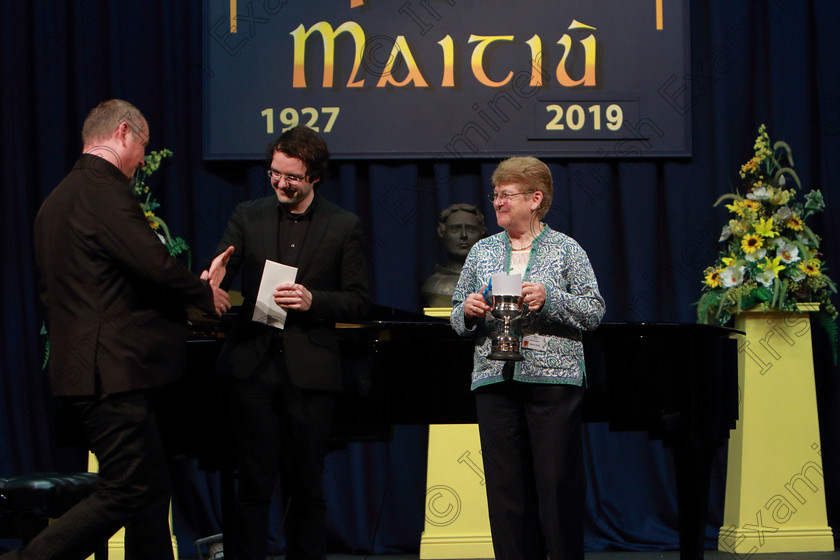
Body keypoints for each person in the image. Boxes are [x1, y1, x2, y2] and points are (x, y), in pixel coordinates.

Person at [2, 99, 232, 560]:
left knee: (150, 492)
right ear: (123, 132)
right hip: (113, 373)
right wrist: (205, 293)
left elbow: (109, 284)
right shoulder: (103, 191)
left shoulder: (58, 199)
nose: (144, 160)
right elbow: (154, 265)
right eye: (143, 147)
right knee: (128, 489)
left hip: (86, 369)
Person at [212, 125, 370, 560]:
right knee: (253, 485)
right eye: (275, 174)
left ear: (314, 177)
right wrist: (216, 274)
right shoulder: (249, 214)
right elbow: (227, 257)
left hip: (310, 372)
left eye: (292, 177)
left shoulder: (343, 225)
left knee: (306, 486)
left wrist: (312, 299)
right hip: (252, 369)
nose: (281, 183)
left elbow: (359, 300)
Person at [450, 156, 605, 560]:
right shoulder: (482, 251)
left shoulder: (567, 249)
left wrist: (549, 299)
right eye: (495, 195)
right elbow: (455, 313)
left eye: (506, 195)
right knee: (505, 494)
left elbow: (593, 310)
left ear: (535, 199)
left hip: (553, 383)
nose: (497, 203)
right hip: (494, 381)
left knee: (557, 488)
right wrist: (466, 311)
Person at [421, 203, 486, 307]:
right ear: (442, 233)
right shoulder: (434, 285)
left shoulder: (491, 282)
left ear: (481, 234)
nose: (463, 235)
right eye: (456, 229)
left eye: (470, 229)